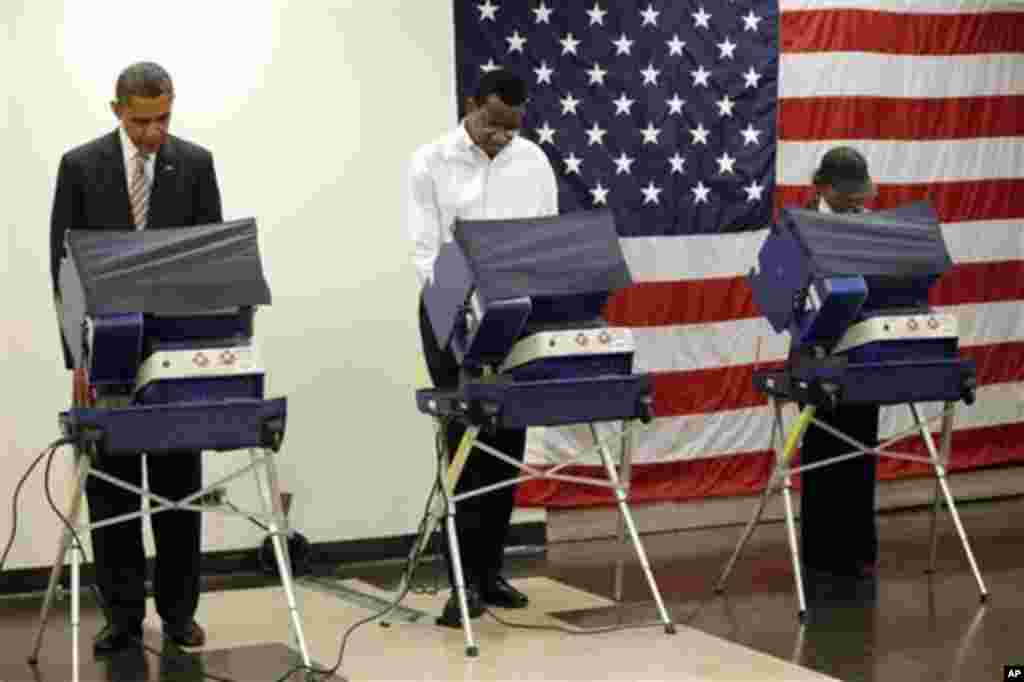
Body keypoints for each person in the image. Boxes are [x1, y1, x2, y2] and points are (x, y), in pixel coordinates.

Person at [50, 62, 222, 653]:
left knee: (178, 486)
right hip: (108, 351)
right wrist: (76, 356)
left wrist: (208, 352)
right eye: (142, 120)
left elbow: (211, 265)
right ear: (116, 110)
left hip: (176, 351)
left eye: (164, 118)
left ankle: (178, 613)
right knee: (114, 490)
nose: (154, 132)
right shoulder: (80, 167)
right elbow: (64, 270)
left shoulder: (195, 164)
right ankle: (122, 616)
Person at [406, 70, 558, 627]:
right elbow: (425, 251)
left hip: (515, 309)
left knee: (506, 441)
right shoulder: (430, 161)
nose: (500, 138)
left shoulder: (533, 160)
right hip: (451, 308)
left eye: (511, 129)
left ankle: (492, 572)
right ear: (472, 106)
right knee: (465, 442)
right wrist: (463, 310)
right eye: (492, 125)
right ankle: (460, 583)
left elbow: (544, 237)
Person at [796, 146, 880, 580]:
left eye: (859, 191)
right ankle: (822, 553)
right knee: (824, 452)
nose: (857, 199)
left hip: (862, 348)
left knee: (863, 445)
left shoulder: (867, 222)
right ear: (824, 187)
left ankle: (859, 550)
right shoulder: (798, 225)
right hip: (815, 353)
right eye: (848, 192)